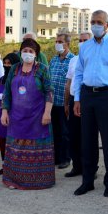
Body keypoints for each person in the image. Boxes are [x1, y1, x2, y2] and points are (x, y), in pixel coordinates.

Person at [73, 10, 108, 197]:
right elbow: (79, 73)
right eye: (93, 21)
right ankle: (87, 181)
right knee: (87, 140)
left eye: (99, 22)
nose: (95, 25)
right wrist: (77, 99)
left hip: (107, 95)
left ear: (107, 25)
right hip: (87, 94)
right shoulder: (85, 47)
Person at [0, 38, 55, 190]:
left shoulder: (42, 69)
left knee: (37, 148)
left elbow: (49, 91)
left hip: (37, 117)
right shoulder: (14, 69)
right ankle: (14, 180)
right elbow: (7, 92)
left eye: (31, 51)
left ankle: (37, 181)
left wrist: (47, 113)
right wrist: (4, 112)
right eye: (25, 51)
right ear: (20, 52)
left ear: (36, 54)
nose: (27, 54)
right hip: (16, 117)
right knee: (16, 149)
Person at [64, 31, 92, 178]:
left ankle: (90, 168)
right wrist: (66, 103)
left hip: (88, 101)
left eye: (85, 40)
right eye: (80, 40)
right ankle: (77, 166)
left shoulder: (94, 58)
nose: (82, 42)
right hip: (74, 100)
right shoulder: (74, 60)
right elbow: (69, 82)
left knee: (88, 137)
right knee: (73, 136)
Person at [49, 33, 75, 169]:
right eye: (56, 41)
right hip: (52, 103)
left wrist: (67, 103)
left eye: (60, 41)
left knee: (65, 132)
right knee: (55, 132)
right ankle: (57, 157)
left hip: (64, 102)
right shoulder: (53, 60)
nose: (57, 43)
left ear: (67, 44)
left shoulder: (73, 59)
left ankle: (66, 158)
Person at [0, 53, 20, 175]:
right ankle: (5, 165)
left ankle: (15, 166)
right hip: (0, 113)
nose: (7, 65)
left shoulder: (19, 78)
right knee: (2, 141)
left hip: (14, 114)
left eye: (10, 63)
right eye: (5, 63)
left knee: (13, 141)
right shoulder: (2, 79)